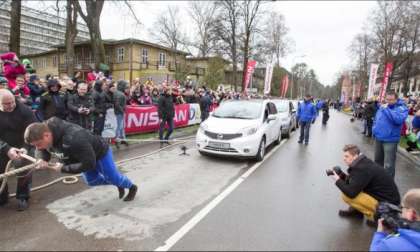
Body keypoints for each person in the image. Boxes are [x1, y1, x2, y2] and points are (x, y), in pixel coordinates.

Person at [24, 117, 138, 201]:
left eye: (38, 144)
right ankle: (118, 183)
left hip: (99, 153)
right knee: (92, 181)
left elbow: (89, 163)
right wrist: (41, 158)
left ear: (47, 135)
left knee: (112, 177)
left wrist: (63, 168)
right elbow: (42, 150)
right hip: (80, 157)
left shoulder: (74, 138)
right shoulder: (43, 133)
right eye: (35, 145)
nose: (37, 148)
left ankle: (131, 187)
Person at [329, 144, 400, 225]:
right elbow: (355, 182)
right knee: (354, 190)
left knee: (346, 196)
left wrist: (336, 179)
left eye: (346, 156)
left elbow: (351, 193)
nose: (344, 159)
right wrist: (341, 175)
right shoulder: (362, 163)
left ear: (355, 156)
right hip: (389, 201)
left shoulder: (362, 168)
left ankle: (381, 219)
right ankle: (357, 212)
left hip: (389, 207)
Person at [0, 89, 36, 211]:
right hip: (2, 145)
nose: (10, 105)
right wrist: (6, 148)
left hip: (22, 144)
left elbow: (33, 131)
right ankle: (2, 196)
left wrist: (25, 148)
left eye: (12, 102)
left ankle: (23, 196)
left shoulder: (25, 110)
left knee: (24, 168)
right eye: (6, 104)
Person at [373, 91, 408, 178]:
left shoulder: (402, 108)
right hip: (379, 138)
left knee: (389, 165)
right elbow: (377, 119)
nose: (388, 101)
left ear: (396, 99)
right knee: (377, 162)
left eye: (391, 100)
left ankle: (388, 185)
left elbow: (398, 120)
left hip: (390, 140)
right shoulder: (383, 107)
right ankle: (378, 181)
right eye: (387, 99)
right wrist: (374, 129)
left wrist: (386, 109)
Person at [110, 82, 128, 147]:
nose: (126, 88)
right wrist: (122, 111)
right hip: (119, 113)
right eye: (125, 86)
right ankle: (118, 140)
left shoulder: (116, 93)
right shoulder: (121, 94)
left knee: (121, 126)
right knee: (119, 127)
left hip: (117, 112)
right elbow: (117, 104)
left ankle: (123, 139)